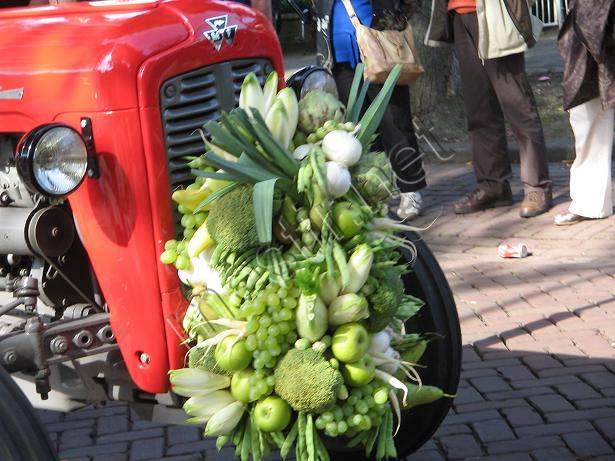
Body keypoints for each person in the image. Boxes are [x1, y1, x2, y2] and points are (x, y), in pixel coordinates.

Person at [425, 0, 552, 218]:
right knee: (479, 109)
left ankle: (536, 187)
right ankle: (493, 187)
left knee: (517, 105)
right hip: (459, 15)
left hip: (496, 13)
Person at [312, 0, 427, 220]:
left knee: (395, 122)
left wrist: (393, 19)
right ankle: (374, 191)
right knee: (359, 129)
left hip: (380, 44)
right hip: (338, 49)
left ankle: (410, 189)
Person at [554, 0, 614, 226]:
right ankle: (589, 202)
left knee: (589, 117)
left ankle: (590, 202)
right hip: (591, 42)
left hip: (595, 41)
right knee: (588, 117)